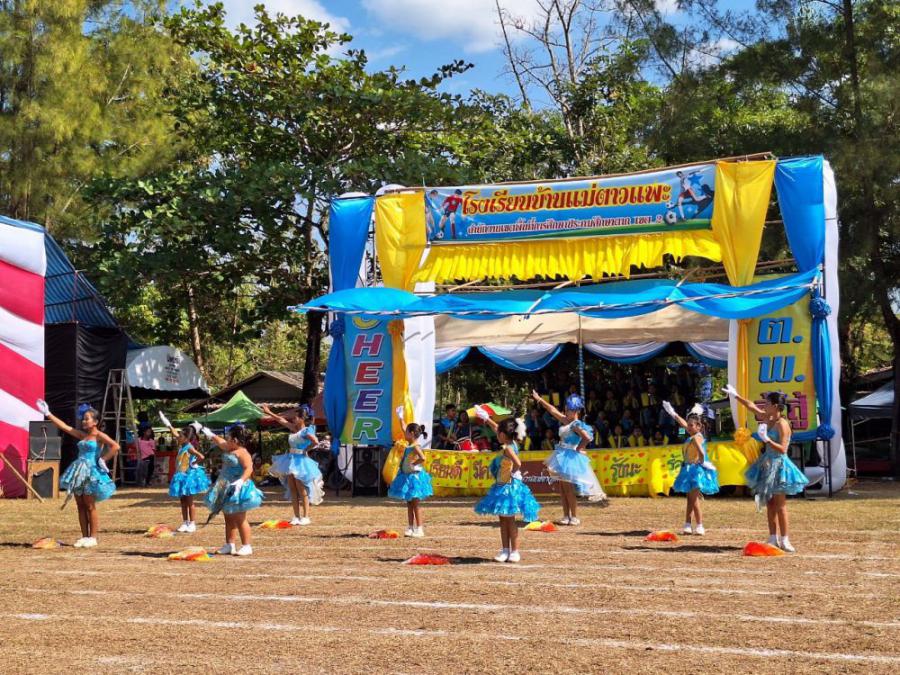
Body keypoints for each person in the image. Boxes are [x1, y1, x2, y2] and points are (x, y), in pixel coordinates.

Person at [725, 386, 808, 552]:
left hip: (779, 465)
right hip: (766, 464)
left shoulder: (782, 424)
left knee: (780, 505)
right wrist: (736, 396)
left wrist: (767, 440)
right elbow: (751, 407)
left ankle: (785, 539)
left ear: (776, 406)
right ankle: (772, 537)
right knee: (769, 503)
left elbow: (783, 449)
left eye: (768, 403)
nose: (764, 405)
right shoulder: (767, 418)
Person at [38, 399, 118, 548]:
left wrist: (103, 459)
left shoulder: (99, 435)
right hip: (78, 471)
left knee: (90, 505)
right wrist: (48, 413)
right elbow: (65, 427)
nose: (84, 421)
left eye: (87, 419)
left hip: (91, 472)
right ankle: (84, 536)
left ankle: (93, 537)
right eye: (83, 419)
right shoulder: (83, 435)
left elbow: (115, 446)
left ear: (95, 422)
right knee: (80, 505)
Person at [533, 391, 608, 525]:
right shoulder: (566, 420)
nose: (567, 411)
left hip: (569, 457)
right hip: (561, 455)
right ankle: (566, 516)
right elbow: (552, 410)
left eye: (570, 410)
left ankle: (574, 517)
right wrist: (539, 399)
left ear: (576, 411)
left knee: (568, 489)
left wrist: (578, 449)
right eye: (567, 409)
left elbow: (587, 437)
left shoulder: (575, 424)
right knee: (562, 489)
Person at [473, 413, 540, 562]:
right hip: (502, 484)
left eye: (498, 433)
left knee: (509, 520)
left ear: (503, 435)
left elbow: (518, 463)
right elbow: (497, 427)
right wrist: (487, 419)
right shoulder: (511, 442)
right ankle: (505, 550)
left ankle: (514, 551)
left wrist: (512, 474)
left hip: (509, 486)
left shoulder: (509, 448)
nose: (496, 434)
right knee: (503, 519)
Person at [201, 423, 263, 556]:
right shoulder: (229, 447)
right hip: (224, 485)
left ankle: (247, 546)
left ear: (235, 440)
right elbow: (220, 442)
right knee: (228, 516)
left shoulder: (243, 453)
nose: (226, 440)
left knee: (240, 518)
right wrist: (210, 434)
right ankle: (230, 544)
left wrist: (241, 481)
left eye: (228, 438)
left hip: (238, 487)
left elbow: (249, 468)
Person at [662, 402, 719, 535]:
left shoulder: (696, 437)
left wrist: (702, 462)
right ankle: (690, 525)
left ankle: (697, 525)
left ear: (699, 426)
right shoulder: (692, 435)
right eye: (688, 425)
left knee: (692, 500)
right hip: (689, 469)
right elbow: (683, 423)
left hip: (695, 471)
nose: (688, 427)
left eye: (691, 425)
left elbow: (701, 452)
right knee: (691, 499)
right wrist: (673, 413)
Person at [262, 404, 324, 526]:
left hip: (300, 461)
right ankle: (296, 516)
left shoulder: (306, 431)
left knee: (301, 489)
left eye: (295, 417)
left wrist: (306, 449)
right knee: (293, 489)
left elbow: (315, 441)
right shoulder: (294, 429)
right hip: (290, 460)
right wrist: (269, 412)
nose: (293, 419)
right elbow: (280, 420)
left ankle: (306, 517)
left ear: (301, 419)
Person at [159, 412, 209, 533]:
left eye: (180, 436)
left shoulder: (189, 447)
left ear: (186, 438)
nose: (178, 437)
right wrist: (167, 423)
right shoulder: (183, 444)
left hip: (188, 476)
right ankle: (185, 522)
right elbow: (174, 432)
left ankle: (192, 523)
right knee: (182, 501)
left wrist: (194, 463)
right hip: (180, 475)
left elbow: (201, 456)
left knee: (189, 501)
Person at [388, 408, 433, 537]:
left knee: (415, 504)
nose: (404, 432)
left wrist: (414, 464)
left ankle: (419, 528)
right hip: (407, 476)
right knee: (409, 503)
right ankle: (410, 527)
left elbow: (423, 458)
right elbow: (404, 427)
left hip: (414, 478)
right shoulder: (409, 443)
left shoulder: (415, 446)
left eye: (407, 432)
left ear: (412, 433)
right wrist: (400, 417)